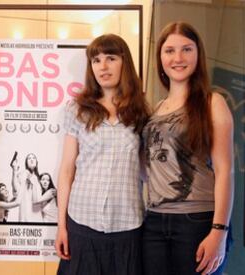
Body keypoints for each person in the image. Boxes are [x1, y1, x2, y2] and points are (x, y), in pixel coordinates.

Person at [142, 21, 234, 275]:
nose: (178, 58)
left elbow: (225, 171)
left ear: (198, 54)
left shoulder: (212, 102)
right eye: (169, 50)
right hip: (153, 222)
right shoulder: (156, 109)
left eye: (186, 49)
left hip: (197, 221)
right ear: (160, 57)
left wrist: (219, 232)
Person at [55, 34, 150, 275]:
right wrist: (61, 226)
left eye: (110, 58)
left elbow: (146, 171)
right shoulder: (77, 109)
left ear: (124, 62)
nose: (103, 66)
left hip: (127, 225)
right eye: (96, 60)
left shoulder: (141, 110)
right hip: (81, 222)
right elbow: (67, 171)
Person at [12, 153, 44, 222]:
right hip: (26, 215)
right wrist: (14, 171)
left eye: (33, 158)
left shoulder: (39, 178)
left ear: (37, 162)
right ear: (26, 163)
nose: (32, 159)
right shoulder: (23, 174)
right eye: (29, 158)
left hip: (38, 215)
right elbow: (16, 190)